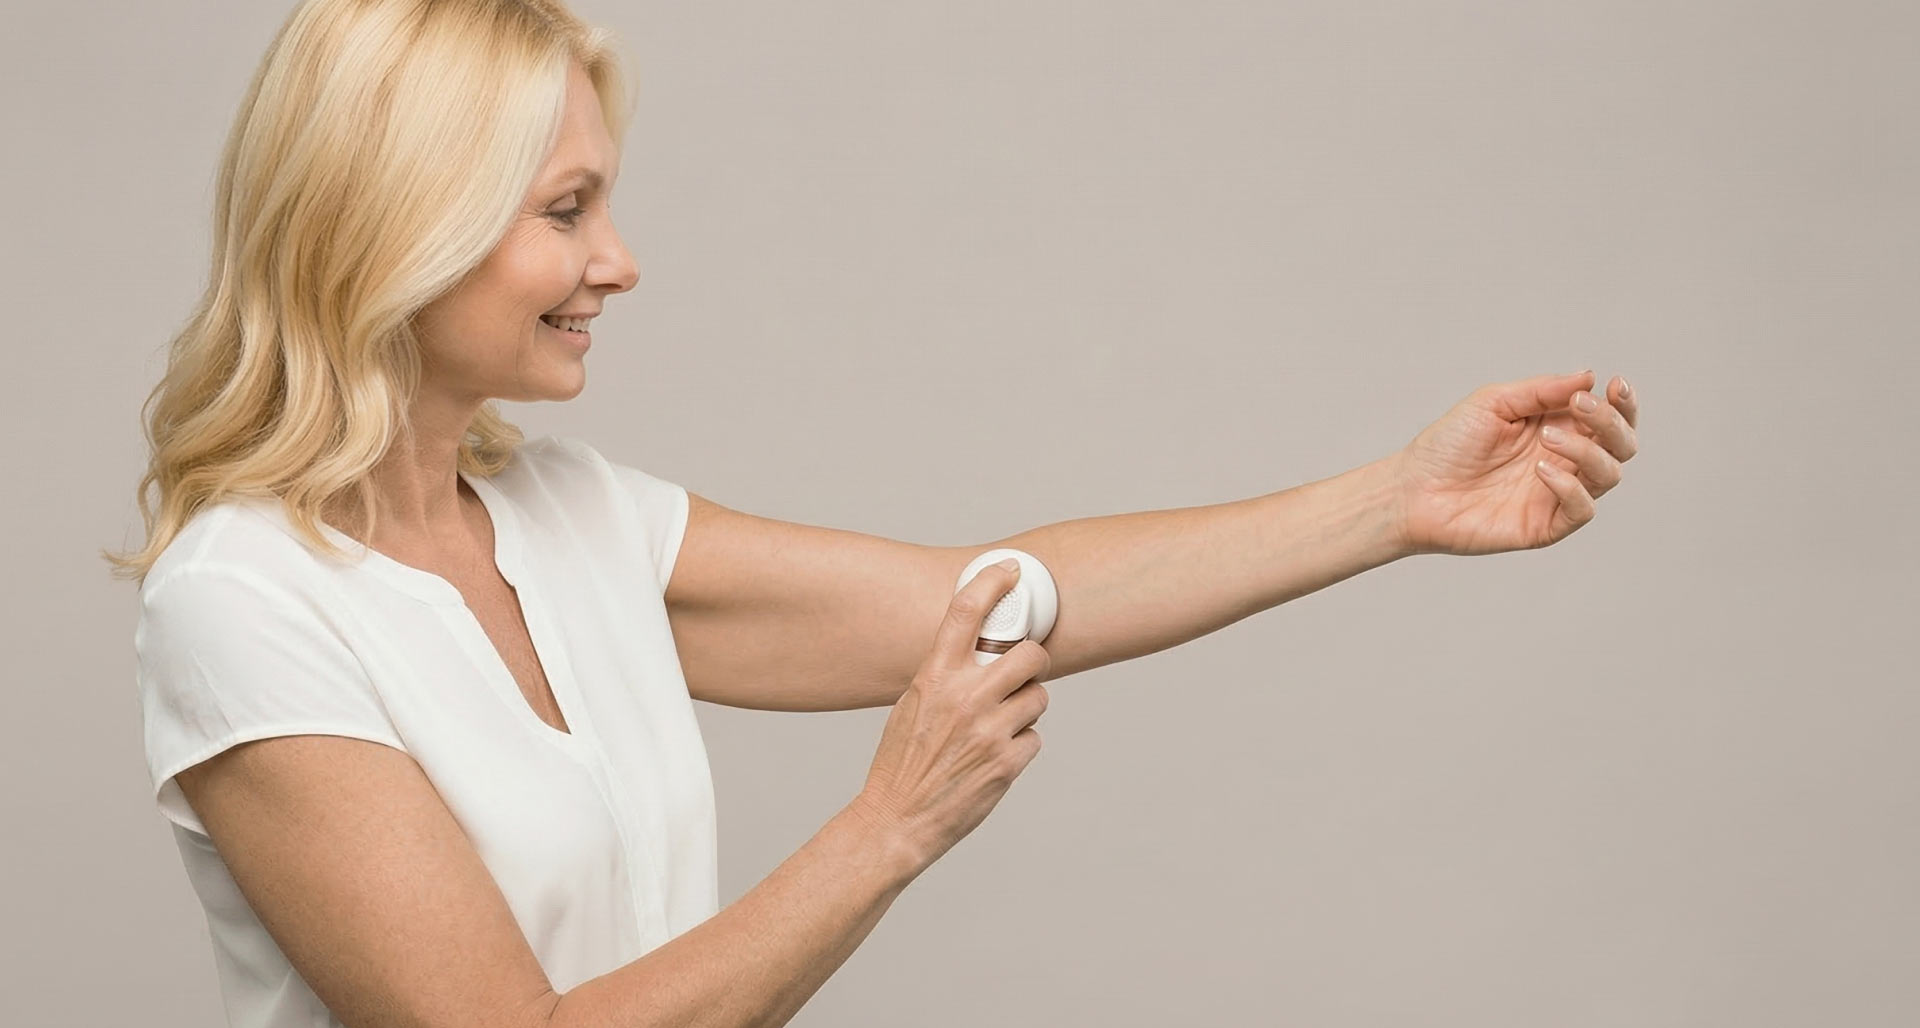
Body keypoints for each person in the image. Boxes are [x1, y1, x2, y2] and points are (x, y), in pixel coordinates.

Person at [107, 2, 1641, 1026]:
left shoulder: (572, 517)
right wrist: (886, 827)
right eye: (567, 210)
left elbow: (996, 598)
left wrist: (1394, 500)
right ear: (401, 226)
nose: (621, 260)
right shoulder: (246, 602)